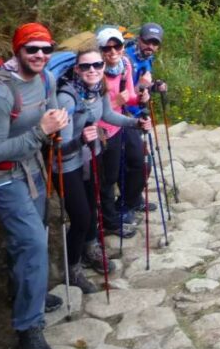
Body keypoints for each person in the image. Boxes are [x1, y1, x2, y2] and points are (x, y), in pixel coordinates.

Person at [0, 23, 67, 349]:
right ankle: (28, 326)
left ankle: (27, 293)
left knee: (29, 239)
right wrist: (41, 132)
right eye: (32, 49)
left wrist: (58, 122)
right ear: (17, 50)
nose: (40, 55)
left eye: (46, 49)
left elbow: (51, 114)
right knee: (32, 242)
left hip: (33, 170)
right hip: (1, 178)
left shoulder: (46, 79)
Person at [54, 44, 151, 293]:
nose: (93, 70)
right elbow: (59, 147)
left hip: (90, 156)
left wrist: (135, 123)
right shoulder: (67, 97)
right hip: (66, 165)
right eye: (86, 66)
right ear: (77, 69)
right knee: (80, 216)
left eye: (97, 65)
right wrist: (81, 140)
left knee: (93, 206)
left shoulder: (98, 90)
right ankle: (72, 267)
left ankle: (90, 249)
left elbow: (108, 115)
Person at [95, 26, 144, 237]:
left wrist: (142, 95)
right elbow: (94, 111)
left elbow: (130, 96)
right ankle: (109, 222)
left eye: (117, 46)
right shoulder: (94, 72)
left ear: (124, 48)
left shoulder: (125, 65)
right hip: (98, 132)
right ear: (100, 50)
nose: (113, 51)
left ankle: (115, 214)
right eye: (107, 48)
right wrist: (116, 101)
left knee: (116, 173)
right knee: (105, 179)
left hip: (116, 128)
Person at [119, 23, 167, 219]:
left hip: (138, 116)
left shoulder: (147, 58)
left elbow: (143, 87)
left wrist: (154, 86)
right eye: (147, 41)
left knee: (144, 161)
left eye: (155, 43)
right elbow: (124, 93)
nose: (150, 46)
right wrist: (143, 86)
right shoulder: (125, 59)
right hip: (123, 117)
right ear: (139, 39)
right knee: (136, 162)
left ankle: (134, 199)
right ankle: (125, 205)